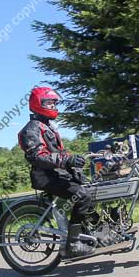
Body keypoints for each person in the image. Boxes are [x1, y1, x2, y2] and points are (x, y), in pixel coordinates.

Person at [17, 86, 95, 258]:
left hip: (57, 174)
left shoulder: (47, 126)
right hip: (46, 177)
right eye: (49, 102)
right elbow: (38, 157)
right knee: (83, 196)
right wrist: (66, 160)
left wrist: (74, 163)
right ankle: (73, 246)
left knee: (95, 189)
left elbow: (59, 154)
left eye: (54, 103)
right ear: (38, 104)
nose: (53, 106)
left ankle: (94, 234)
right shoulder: (32, 129)